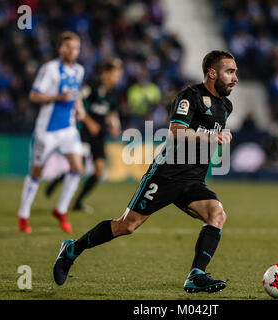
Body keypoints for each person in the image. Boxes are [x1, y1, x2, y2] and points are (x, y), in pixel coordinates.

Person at [53, 50, 238, 294]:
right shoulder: (189, 96)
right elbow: (176, 132)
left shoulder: (226, 106)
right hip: (166, 175)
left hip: (193, 180)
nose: (235, 78)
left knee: (217, 214)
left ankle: (196, 274)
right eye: (230, 72)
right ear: (212, 73)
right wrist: (211, 136)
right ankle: (72, 249)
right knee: (126, 226)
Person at [17, 31, 86, 234]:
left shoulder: (79, 70)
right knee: (37, 172)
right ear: (60, 49)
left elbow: (76, 94)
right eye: (69, 47)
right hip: (46, 131)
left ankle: (61, 210)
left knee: (78, 169)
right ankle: (23, 214)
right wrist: (57, 97)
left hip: (68, 129)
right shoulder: (50, 69)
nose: (73, 51)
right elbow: (34, 96)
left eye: (76, 48)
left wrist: (79, 108)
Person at [45, 58, 123, 213]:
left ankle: (77, 202)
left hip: (99, 135)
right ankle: (58, 182)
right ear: (106, 73)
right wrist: (89, 122)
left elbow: (111, 112)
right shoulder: (92, 86)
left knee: (99, 170)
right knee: (78, 169)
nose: (118, 78)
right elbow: (77, 102)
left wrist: (115, 125)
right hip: (84, 133)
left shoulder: (113, 92)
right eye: (116, 74)